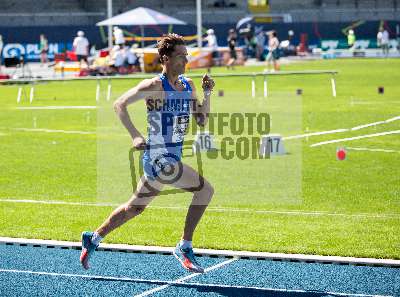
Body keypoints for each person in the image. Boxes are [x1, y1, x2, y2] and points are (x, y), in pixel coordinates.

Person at [80, 33, 215, 274]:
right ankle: (184, 246)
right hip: (158, 157)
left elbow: (202, 120)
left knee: (135, 208)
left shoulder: (188, 85)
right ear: (165, 58)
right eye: (180, 56)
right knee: (205, 190)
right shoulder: (153, 86)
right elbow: (119, 104)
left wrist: (207, 94)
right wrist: (134, 134)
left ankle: (93, 238)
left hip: (172, 156)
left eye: (187, 55)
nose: (185, 60)